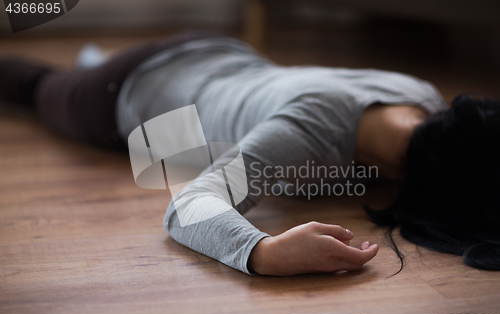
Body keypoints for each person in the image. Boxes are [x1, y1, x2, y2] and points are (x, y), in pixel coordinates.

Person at [1, 31, 498, 276]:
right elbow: (188, 206)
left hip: (218, 53)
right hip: (122, 96)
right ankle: (81, 76)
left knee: (80, 73)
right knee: (35, 88)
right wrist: (264, 251)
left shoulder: (423, 96)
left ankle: (90, 62)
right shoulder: (303, 135)